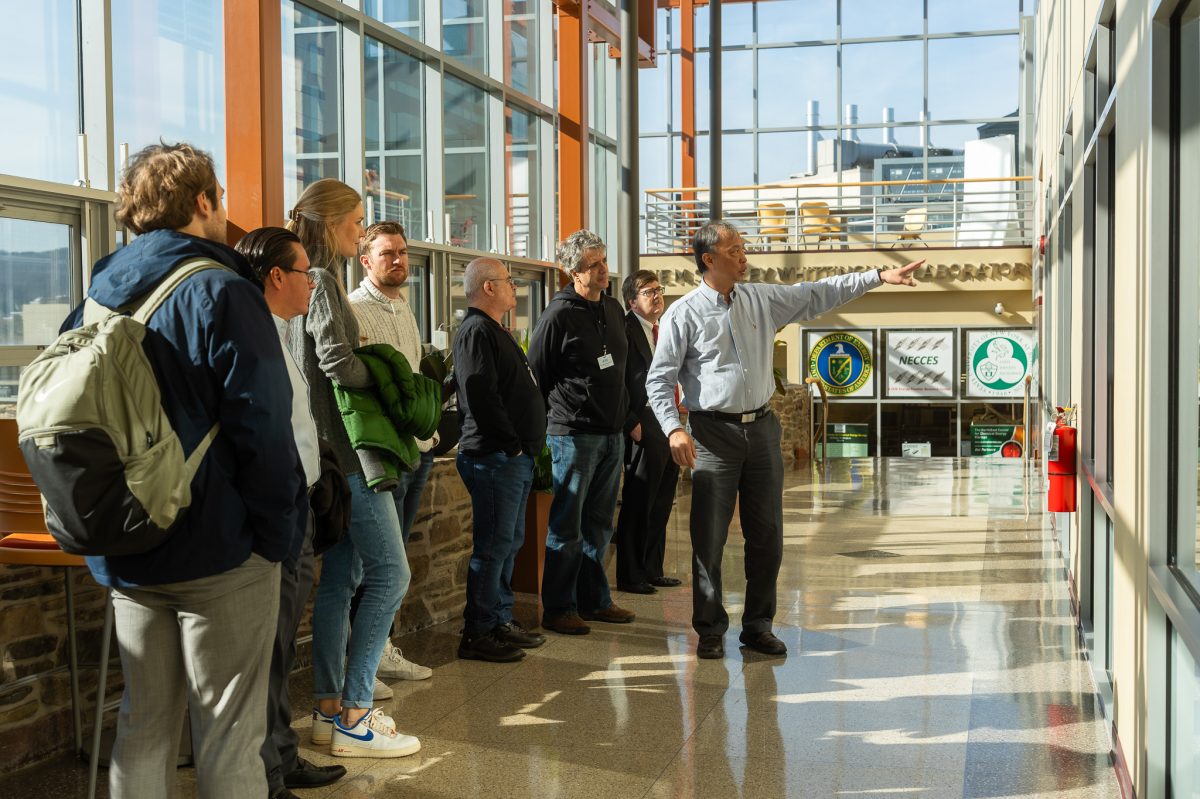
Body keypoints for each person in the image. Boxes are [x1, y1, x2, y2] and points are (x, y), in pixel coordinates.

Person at [65, 143, 304, 798]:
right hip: (221, 549)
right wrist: (275, 538)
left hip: (130, 545)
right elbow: (265, 425)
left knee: (143, 724)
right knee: (228, 733)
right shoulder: (223, 290)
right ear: (202, 201)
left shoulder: (96, 293)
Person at [646, 220, 923, 660]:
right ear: (709, 260)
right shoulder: (683, 313)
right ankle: (711, 629)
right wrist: (673, 428)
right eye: (734, 250)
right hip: (712, 435)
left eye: (742, 248)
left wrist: (877, 277)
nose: (744, 256)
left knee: (768, 535)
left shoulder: (762, 299)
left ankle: (758, 626)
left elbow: (818, 293)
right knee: (709, 537)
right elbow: (659, 381)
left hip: (761, 430)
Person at [286, 179, 419, 758]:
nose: (360, 232)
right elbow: (338, 362)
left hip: (321, 458)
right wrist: (391, 379)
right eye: (355, 222)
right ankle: (357, 715)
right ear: (330, 222)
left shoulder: (292, 281)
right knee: (392, 575)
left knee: (340, 580)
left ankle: (327, 708)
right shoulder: (320, 281)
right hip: (351, 454)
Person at [236, 227, 347, 799]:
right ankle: (267, 773)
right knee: (270, 648)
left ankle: (281, 754)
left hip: (297, 503)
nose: (314, 283)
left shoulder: (281, 329)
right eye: (305, 272)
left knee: (281, 646)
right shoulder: (252, 334)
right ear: (277, 276)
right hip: (276, 512)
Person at [527, 230, 635, 636]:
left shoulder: (611, 308)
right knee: (566, 526)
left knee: (600, 525)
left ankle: (596, 601)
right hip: (572, 434)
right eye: (593, 264)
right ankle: (558, 608)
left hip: (611, 433)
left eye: (604, 260)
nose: (603, 269)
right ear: (572, 272)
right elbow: (536, 373)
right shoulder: (558, 314)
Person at [348, 221, 435, 683]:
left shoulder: (404, 306)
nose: (398, 260)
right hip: (384, 452)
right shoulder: (355, 308)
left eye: (402, 252)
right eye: (387, 254)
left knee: (394, 554)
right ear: (366, 260)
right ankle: (367, 658)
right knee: (376, 565)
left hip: (417, 447)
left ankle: (383, 647)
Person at [453, 257, 548, 661]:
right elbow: (481, 396)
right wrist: (511, 444)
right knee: (492, 547)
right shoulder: (476, 330)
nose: (514, 288)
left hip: (514, 457)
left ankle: (499, 620)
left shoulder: (495, 330)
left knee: (510, 543)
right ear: (488, 288)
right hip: (495, 457)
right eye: (509, 281)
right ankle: (477, 632)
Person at [614, 270, 681, 595]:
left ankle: (653, 568)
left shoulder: (664, 328)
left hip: (669, 423)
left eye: (658, 289)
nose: (657, 295)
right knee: (640, 502)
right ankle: (630, 575)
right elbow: (615, 380)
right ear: (631, 301)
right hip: (643, 423)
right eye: (647, 291)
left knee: (662, 501)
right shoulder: (624, 330)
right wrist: (630, 422)